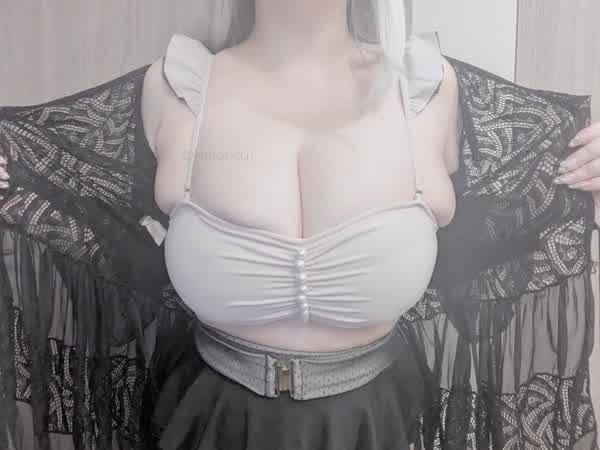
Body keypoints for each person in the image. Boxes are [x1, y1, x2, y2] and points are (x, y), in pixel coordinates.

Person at [0, 0, 599, 449]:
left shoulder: (428, 91)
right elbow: (77, 207)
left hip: (374, 425)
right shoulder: (177, 89)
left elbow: (513, 219)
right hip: (207, 420)